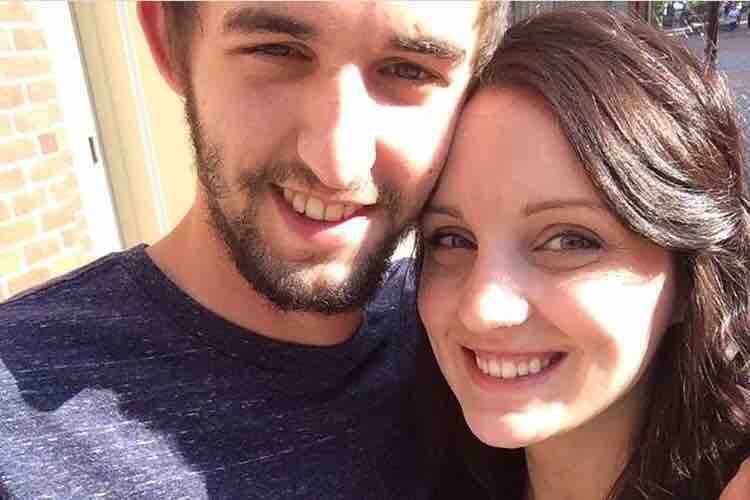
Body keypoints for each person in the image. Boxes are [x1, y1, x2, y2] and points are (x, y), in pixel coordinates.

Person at [0, 2, 508, 498]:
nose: (338, 163)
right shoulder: (17, 427)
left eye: (408, 70)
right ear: (170, 44)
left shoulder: (487, 350)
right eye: (277, 50)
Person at [416, 8, 750, 500]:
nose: (482, 309)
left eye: (569, 241)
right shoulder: (396, 463)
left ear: (687, 277)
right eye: (452, 239)